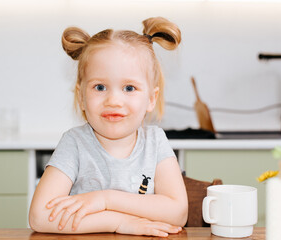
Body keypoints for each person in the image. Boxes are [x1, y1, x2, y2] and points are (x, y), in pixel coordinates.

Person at [29, 16, 188, 237]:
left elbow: (178, 213)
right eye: (100, 87)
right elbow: (39, 217)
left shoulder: (156, 141)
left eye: (129, 88)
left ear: (152, 98)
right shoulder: (74, 143)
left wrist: (105, 199)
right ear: (81, 96)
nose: (113, 100)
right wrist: (119, 222)